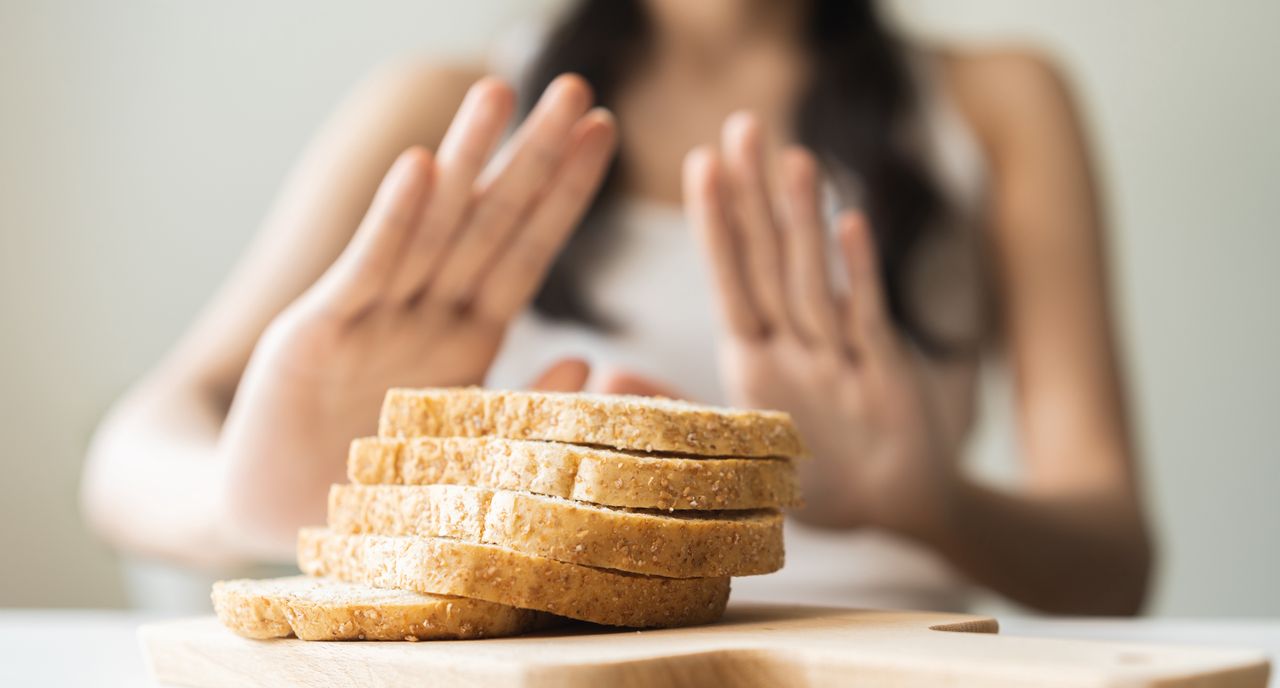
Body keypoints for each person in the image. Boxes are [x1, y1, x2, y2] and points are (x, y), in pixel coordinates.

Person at [82, 0, 1154, 614]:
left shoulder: (998, 103)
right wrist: (249, 499)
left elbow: (1115, 557)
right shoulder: (436, 108)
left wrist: (927, 503)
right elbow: (130, 449)